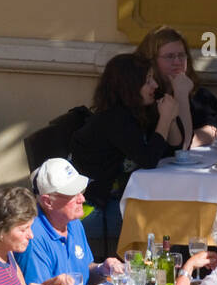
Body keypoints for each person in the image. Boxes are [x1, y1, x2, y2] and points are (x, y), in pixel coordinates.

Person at [70, 52, 180, 248]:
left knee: (172, 216)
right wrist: (164, 119)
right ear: (129, 86)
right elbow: (148, 160)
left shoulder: (136, 113)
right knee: (167, 225)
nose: (155, 85)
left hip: (118, 200)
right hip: (93, 210)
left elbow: (174, 148)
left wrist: (169, 118)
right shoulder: (115, 119)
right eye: (147, 81)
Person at [16, 158, 124, 285]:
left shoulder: (73, 222)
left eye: (81, 191)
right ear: (48, 202)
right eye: (72, 194)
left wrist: (102, 269)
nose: (82, 199)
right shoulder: (32, 236)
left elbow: (83, 272)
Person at [136, 26, 217, 148]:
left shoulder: (201, 96)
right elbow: (176, 146)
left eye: (181, 55)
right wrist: (180, 95)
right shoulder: (146, 97)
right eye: (169, 56)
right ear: (151, 60)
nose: (178, 62)